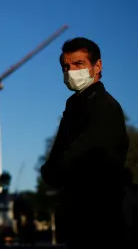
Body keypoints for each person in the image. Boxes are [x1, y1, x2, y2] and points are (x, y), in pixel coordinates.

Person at [40, 37, 129, 249]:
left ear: (97, 66)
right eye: (66, 66)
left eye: (78, 64)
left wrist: (58, 169)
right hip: (79, 215)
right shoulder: (74, 105)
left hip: (102, 217)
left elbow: (77, 157)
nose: (70, 71)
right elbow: (54, 163)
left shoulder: (104, 106)